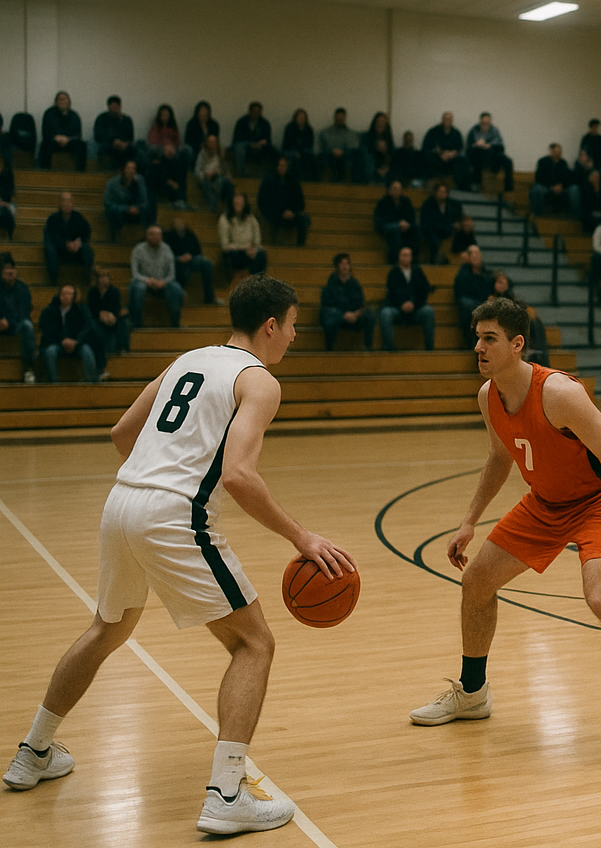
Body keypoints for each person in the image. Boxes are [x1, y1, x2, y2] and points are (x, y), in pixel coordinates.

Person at [3, 274, 355, 834]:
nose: (294, 336)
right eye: (292, 326)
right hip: (174, 515)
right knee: (254, 644)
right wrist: (301, 537)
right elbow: (239, 475)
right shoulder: (259, 381)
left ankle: (34, 753)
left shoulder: (189, 359)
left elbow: (122, 435)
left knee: (106, 628)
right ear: (270, 325)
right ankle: (227, 793)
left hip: (122, 502)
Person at [407, 296, 601, 762]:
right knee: (477, 581)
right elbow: (500, 458)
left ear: (517, 344)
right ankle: (473, 693)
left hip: (597, 502)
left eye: (489, 339)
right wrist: (469, 521)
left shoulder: (558, 393)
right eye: (476, 338)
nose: (478, 347)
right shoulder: (488, 396)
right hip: (545, 505)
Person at [38, 284, 100, 383]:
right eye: (63, 294)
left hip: (77, 342)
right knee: (50, 352)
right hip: (56, 342)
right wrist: (62, 340)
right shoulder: (49, 310)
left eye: (68, 294)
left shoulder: (81, 309)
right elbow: (47, 329)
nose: (65, 296)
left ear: (74, 296)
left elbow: (88, 327)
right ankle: (52, 383)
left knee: (87, 351)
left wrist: (76, 341)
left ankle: (90, 382)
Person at [129, 224, 185, 329]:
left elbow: (172, 274)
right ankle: (137, 323)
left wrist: (163, 282)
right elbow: (135, 273)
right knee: (138, 287)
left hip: (163, 282)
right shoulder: (138, 249)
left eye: (158, 234)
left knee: (177, 289)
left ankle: (175, 323)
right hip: (144, 281)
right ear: (146, 236)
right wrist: (147, 280)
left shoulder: (167, 249)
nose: (156, 237)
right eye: (152, 234)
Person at [380, 246, 435, 351]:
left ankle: (429, 349)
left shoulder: (418, 271)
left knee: (428, 311)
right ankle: (389, 349)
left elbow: (424, 291)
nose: (406, 257)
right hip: (398, 309)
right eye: (403, 255)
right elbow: (392, 293)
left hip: (416, 308)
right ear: (399, 257)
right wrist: (401, 304)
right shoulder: (393, 273)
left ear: (411, 257)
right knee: (385, 313)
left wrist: (414, 304)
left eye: (408, 255)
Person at [320, 252, 375, 351]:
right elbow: (329, 302)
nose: (345, 266)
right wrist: (343, 314)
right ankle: (330, 348)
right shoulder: (331, 283)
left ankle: (368, 347)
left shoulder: (355, 283)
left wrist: (356, 314)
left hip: (354, 315)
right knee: (329, 314)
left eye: (347, 263)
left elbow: (360, 302)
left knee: (370, 315)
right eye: (342, 263)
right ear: (337, 266)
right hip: (338, 315)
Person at [165, 217, 219, 306]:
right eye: (176, 223)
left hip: (192, 259)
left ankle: (209, 298)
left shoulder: (190, 234)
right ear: (173, 226)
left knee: (206, 262)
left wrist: (190, 255)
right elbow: (168, 253)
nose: (179, 225)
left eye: (180, 223)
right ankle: (179, 298)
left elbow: (198, 249)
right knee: (183, 271)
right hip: (177, 261)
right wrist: (179, 258)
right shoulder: (170, 237)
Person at [257, 155, 310, 246]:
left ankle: (300, 246)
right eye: (279, 165)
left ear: (287, 167)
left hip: (290, 212)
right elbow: (263, 201)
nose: (280, 168)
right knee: (276, 220)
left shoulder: (293, 181)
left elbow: (300, 202)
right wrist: (280, 212)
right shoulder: (269, 180)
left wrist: (292, 212)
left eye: (283, 166)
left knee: (304, 219)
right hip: (273, 212)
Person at [0, 253, 37, 383]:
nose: (10, 272)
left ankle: (28, 368)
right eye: (6, 270)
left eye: (12, 269)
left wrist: (8, 322)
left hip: (16, 324)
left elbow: (23, 313)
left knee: (27, 326)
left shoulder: (23, 288)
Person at [44, 191, 95, 284]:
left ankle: (87, 278)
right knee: (50, 250)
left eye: (69, 201)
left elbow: (86, 232)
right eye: (64, 201)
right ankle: (53, 281)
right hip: (59, 250)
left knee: (87, 249)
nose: (66, 204)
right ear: (59, 203)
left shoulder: (78, 217)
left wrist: (78, 243)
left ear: (73, 203)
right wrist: (65, 244)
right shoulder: (53, 218)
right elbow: (52, 237)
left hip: (75, 250)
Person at [144, 104, 187, 207]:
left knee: (183, 154)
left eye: (166, 115)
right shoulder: (155, 127)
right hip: (158, 153)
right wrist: (165, 148)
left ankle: (180, 198)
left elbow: (178, 143)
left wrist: (172, 149)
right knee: (156, 160)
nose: (164, 117)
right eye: (162, 115)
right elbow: (152, 143)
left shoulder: (173, 128)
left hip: (172, 155)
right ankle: (168, 183)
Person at [102, 160, 156, 240]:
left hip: (136, 210)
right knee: (110, 210)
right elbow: (107, 202)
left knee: (151, 206)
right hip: (120, 211)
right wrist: (126, 209)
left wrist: (136, 185)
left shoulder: (139, 180)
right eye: (128, 168)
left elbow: (144, 200)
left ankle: (149, 233)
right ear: (123, 170)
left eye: (133, 169)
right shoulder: (113, 182)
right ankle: (115, 235)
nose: (131, 171)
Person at [218, 193, 268, 276]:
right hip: (235, 252)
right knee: (234, 256)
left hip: (250, 250)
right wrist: (244, 249)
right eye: (236, 203)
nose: (238, 205)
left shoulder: (251, 218)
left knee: (261, 254)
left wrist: (254, 248)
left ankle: (257, 283)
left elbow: (257, 237)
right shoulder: (224, 219)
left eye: (240, 203)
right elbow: (225, 245)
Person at [454, 245, 494, 347]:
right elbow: (460, 294)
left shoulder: (486, 272)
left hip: (483, 303)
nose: (476, 256)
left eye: (478, 253)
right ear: (467, 257)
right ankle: (473, 343)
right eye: (473, 254)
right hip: (470, 304)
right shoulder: (463, 273)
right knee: (470, 306)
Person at [39, 91, 87, 171]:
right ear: (56, 102)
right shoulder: (49, 113)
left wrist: (67, 139)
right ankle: (45, 172)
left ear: (69, 102)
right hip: (54, 141)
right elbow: (45, 131)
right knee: (44, 146)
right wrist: (56, 137)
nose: (62, 101)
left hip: (69, 141)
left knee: (82, 146)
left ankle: (80, 173)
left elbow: (78, 134)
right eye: (60, 99)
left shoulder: (74, 116)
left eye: (64, 99)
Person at [89, 267, 132, 357]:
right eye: (102, 277)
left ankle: (123, 348)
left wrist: (110, 315)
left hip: (112, 317)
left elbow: (116, 307)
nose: (104, 279)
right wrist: (101, 315)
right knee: (93, 325)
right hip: (97, 318)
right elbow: (91, 308)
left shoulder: (114, 291)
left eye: (106, 277)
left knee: (124, 323)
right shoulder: (92, 292)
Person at [419, 182, 464, 265]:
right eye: (440, 191)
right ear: (435, 193)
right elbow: (428, 223)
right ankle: (434, 262)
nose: (442, 194)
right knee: (434, 240)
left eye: (444, 192)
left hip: (447, 230)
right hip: (432, 231)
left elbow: (455, 219)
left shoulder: (452, 205)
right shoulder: (428, 204)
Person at [373, 179, 417, 264]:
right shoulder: (383, 203)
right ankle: (395, 261)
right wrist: (398, 224)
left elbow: (411, 217)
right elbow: (381, 221)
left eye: (399, 189)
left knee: (416, 230)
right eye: (395, 189)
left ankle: (413, 259)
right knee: (394, 230)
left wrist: (407, 224)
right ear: (389, 191)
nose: (397, 191)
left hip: (404, 228)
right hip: (388, 227)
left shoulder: (405, 201)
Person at [92, 96, 137, 173]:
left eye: (116, 107)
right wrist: (113, 142)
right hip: (107, 145)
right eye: (113, 107)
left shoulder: (126, 120)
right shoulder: (101, 118)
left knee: (135, 150)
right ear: (108, 107)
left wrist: (124, 143)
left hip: (124, 146)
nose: (115, 109)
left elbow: (131, 137)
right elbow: (99, 136)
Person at [531, 143, 578, 216]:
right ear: (551, 151)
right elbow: (539, 178)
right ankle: (538, 216)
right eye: (556, 152)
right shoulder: (543, 162)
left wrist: (561, 186)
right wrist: (551, 186)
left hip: (561, 188)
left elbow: (568, 177)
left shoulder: (563, 163)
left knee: (574, 189)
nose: (558, 154)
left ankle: (576, 217)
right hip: (547, 187)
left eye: (559, 152)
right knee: (536, 189)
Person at [465, 112, 507, 190]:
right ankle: (476, 184)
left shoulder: (494, 131)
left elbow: (500, 146)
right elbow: (469, 147)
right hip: (477, 155)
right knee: (477, 156)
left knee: (506, 161)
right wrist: (476, 144)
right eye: (483, 122)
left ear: (490, 122)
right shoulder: (474, 130)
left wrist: (489, 145)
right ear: (480, 121)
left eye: (487, 122)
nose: (485, 124)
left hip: (491, 156)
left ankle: (507, 188)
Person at [424, 111, 466, 189]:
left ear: (452, 121)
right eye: (446, 119)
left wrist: (453, 153)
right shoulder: (433, 131)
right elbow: (427, 146)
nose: (447, 121)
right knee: (427, 156)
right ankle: (431, 182)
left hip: (452, 158)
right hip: (437, 156)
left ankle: (459, 186)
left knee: (462, 160)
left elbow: (460, 147)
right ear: (442, 120)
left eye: (449, 119)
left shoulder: (456, 133)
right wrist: (440, 153)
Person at [231, 102, 275, 175]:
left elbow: (268, 139)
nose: (256, 114)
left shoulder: (264, 123)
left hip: (260, 146)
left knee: (274, 151)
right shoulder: (241, 122)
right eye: (254, 111)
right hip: (245, 145)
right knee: (239, 147)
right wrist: (250, 144)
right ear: (250, 111)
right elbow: (237, 138)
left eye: (258, 112)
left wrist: (262, 143)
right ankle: (240, 171)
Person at [317, 107, 360, 183]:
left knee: (351, 159)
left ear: (345, 118)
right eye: (338, 118)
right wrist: (333, 151)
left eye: (341, 118)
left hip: (345, 157)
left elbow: (353, 148)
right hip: (329, 156)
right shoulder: (325, 132)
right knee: (323, 159)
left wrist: (342, 152)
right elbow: (321, 147)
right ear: (334, 118)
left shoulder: (351, 134)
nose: (339, 119)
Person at [194, 134, 233, 212]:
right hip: (206, 179)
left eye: (213, 142)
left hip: (218, 179)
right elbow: (197, 171)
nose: (211, 145)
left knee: (227, 184)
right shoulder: (202, 154)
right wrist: (205, 174)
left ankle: (230, 209)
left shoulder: (219, 156)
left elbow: (227, 173)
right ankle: (213, 208)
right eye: (209, 142)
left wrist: (223, 175)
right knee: (208, 184)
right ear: (206, 143)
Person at [281, 108, 316, 180]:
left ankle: (309, 182)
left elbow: (310, 145)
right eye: (299, 117)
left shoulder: (309, 130)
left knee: (311, 159)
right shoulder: (290, 128)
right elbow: (286, 145)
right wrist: (294, 153)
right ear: (295, 118)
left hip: (304, 153)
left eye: (303, 117)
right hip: (290, 152)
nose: (301, 119)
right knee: (293, 160)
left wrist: (302, 153)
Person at [361, 112, 394, 185]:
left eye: (382, 122)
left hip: (385, 168)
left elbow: (392, 155)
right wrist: (375, 147)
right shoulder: (367, 137)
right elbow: (365, 153)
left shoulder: (389, 140)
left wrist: (385, 151)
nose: (380, 124)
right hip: (371, 167)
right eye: (378, 121)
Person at [579, 166, 601, 233]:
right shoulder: (585, 189)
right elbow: (586, 204)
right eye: (593, 176)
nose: (595, 178)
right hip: (590, 212)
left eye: (596, 176)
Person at [0, 153, 16, 239]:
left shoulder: (7, 175)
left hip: (5, 203)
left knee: (10, 210)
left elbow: (10, 194)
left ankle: (9, 238)